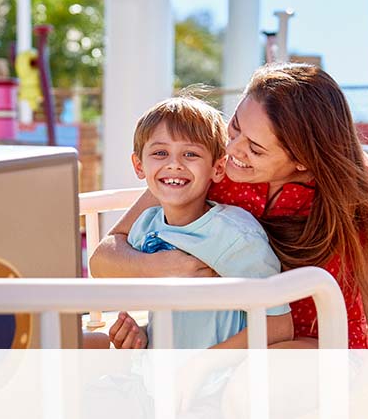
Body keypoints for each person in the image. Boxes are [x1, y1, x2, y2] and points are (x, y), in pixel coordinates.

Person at [91, 63, 368, 349]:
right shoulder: (211, 167)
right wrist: (167, 270)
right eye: (234, 127)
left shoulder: (364, 194)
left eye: (256, 149)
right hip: (226, 351)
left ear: (303, 161)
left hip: (314, 361)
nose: (232, 148)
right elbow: (105, 258)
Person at [90, 96, 294, 350]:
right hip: (162, 378)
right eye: (160, 153)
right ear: (139, 165)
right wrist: (143, 336)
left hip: (218, 382)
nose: (174, 164)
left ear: (217, 169)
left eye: (190, 154)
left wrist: (201, 367)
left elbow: (278, 325)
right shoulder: (144, 227)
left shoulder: (235, 236)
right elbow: (103, 263)